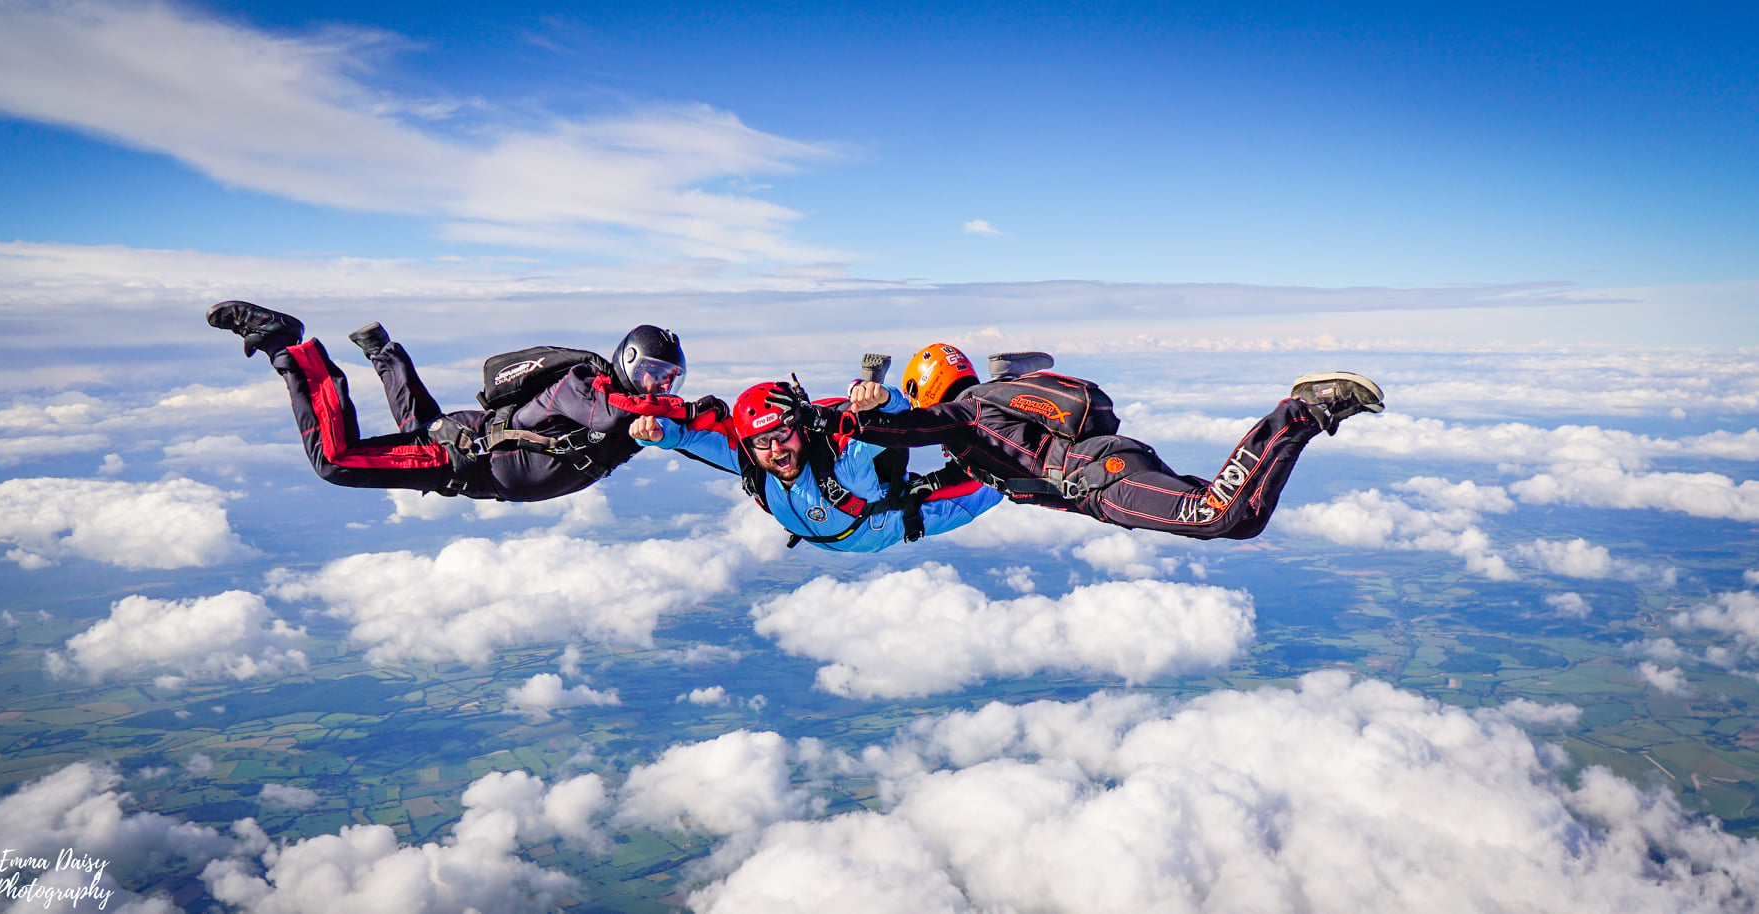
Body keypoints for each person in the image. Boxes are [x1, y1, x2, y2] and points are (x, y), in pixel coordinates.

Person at [787, 343, 1383, 541]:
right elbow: (976, 476)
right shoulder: (985, 423)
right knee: (1243, 520)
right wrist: (913, 494)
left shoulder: (964, 414)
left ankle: (1301, 411)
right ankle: (1304, 417)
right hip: (1108, 470)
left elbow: (914, 428)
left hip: (1101, 480)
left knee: (1212, 514)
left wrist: (834, 422)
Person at [205, 300, 719, 501]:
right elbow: (613, 415)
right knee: (336, 461)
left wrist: (719, 422)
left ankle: (382, 351)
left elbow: (674, 431)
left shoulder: (637, 410)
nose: (661, 387)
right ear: (627, 360)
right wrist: (693, 409)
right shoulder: (587, 383)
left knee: (419, 430)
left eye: (671, 379)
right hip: (463, 454)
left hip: (467, 459)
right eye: (652, 373)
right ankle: (287, 346)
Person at [629, 379, 1001, 551]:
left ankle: (1004, 405)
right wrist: (654, 434)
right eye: (762, 441)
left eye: (783, 433)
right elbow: (687, 437)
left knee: (1006, 479)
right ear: (749, 445)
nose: (776, 449)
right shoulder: (752, 463)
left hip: (895, 524)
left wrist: (883, 400)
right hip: (845, 534)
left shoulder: (842, 466)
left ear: (801, 430)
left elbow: (897, 425)